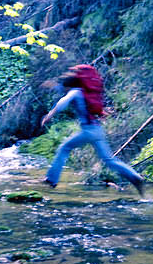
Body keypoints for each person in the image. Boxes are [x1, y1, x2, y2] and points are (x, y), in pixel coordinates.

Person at [41, 66, 145, 196]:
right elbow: (63, 89)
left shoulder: (74, 92)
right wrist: (52, 86)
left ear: (69, 86)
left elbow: (62, 103)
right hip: (97, 130)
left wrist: (48, 116)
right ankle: (135, 177)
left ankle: (52, 179)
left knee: (64, 148)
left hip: (88, 131)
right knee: (109, 160)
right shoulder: (84, 91)